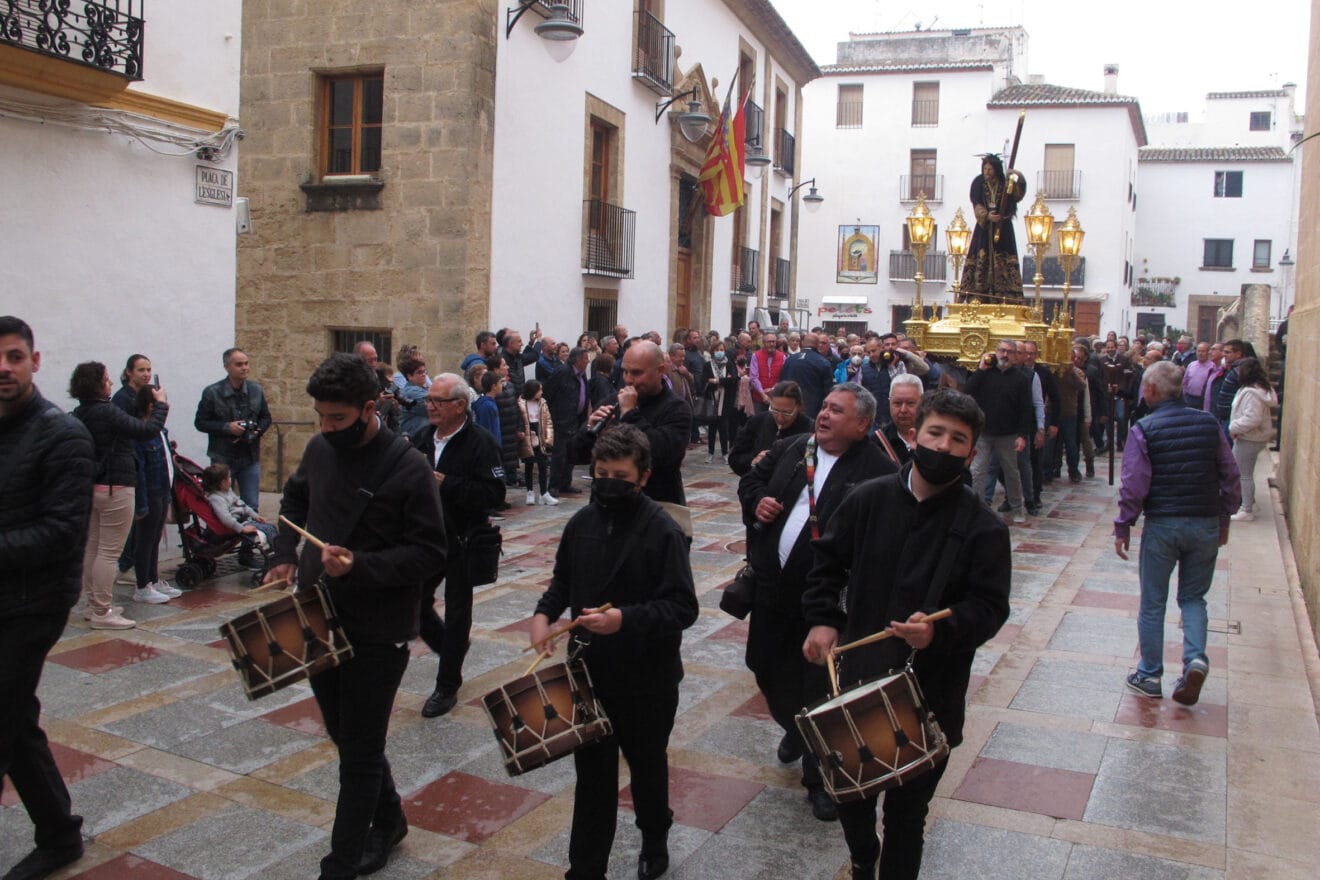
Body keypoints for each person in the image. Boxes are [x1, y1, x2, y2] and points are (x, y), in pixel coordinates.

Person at [802, 389, 1010, 880]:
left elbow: (990, 608)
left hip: (932, 690)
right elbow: (826, 564)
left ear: (971, 453)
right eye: (935, 432)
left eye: (957, 440)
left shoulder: (984, 528)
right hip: (860, 680)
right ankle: (861, 856)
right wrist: (823, 617)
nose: (943, 446)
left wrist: (940, 631)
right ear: (914, 434)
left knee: (907, 815)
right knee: (852, 797)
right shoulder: (869, 498)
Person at [264, 353, 447, 879]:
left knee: (361, 752)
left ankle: (339, 864)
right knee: (344, 736)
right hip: (317, 613)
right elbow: (294, 502)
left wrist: (361, 566)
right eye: (321, 416)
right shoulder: (321, 448)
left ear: (370, 409)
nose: (326, 427)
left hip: (380, 628)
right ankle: (389, 821)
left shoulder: (408, 467)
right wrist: (282, 555)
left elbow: (430, 553)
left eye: (338, 418)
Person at [530, 424, 698, 880]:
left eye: (620, 476)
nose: (608, 483)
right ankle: (585, 869)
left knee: (646, 765)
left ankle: (654, 835)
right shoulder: (581, 523)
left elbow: (683, 607)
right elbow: (563, 580)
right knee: (593, 778)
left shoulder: (662, 530)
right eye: (601, 473)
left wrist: (624, 619)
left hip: (648, 676)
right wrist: (544, 617)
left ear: (643, 478)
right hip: (591, 673)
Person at [738, 384, 897, 823]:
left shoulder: (877, 472)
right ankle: (795, 726)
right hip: (772, 591)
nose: (823, 416)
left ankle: (819, 778)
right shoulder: (792, 447)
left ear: (862, 424)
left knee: (818, 689)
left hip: (825, 603)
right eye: (824, 407)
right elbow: (750, 478)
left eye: (836, 411)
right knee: (764, 666)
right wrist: (758, 502)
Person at [0, 316, 95, 880]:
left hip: (34, 605)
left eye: (14, 356)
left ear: (35, 361)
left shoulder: (62, 435)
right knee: (16, 719)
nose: (3, 368)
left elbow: (61, 532)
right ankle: (60, 835)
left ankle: (60, 838)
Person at [1115, 361, 1240, 706]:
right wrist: (1225, 515)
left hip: (1163, 524)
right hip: (1204, 522)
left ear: (1151, 391)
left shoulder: (1144, 428)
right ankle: (1195, 660)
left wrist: (1123, 523)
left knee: (1153, 601)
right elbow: (1230, 472)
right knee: (1193, 598)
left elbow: (1134, 483)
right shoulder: (1209, 423)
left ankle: (1150, 673)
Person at [411, 373, 506, 718]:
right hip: (425, 539)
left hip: (463, 539)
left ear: (460, 406)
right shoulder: (422, 438)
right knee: (414, 604)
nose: (430, 406)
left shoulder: (480, 443)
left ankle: (446, 684)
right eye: (429, 400)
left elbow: (494, 494)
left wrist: (446, 483)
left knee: (457, 613)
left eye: (438, 401)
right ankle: (451, 648)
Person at [70, 361, 171, 622]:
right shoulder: (107, 411)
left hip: (92, 487)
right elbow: (147, 430)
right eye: (106, 379)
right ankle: (103, 610)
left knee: (93, 547)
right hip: (116, 486)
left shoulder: (80, 412)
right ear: (97, 384)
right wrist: (161, 404)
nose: (111, 382)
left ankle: (94, 605)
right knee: (109, 552)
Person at [577, 341, 692, 505]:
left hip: (656, 507)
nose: (629, 380)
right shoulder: (611, 401)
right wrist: (589, 430)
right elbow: (576, 455)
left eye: (637, 373)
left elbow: (660, 453)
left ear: (660, 370)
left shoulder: (677, 408)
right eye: (625, 372)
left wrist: (630, 414)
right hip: (605, 506)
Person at [194, 348, 271, 567]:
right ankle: (209, 553)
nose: (244, 368)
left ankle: (246, 553)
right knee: (218, 506)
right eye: (239, 364)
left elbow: (266, 417)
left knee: (251, 505)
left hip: (249, 456)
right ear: (227, 366)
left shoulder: (256, 390)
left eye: (246, 363)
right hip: (223, 457)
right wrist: (227, 427)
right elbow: (200, 422)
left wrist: (256, 431)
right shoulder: (212, 392)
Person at [964, 341, 1033, 522]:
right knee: (977, 470)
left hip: (1008, 434)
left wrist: (1022, 435)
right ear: (995, 352)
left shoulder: (1020, 378)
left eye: (1009, 352)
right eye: (1002, 351)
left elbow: (1026, 409)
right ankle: (975, 507)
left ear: (1015, 356)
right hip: (984, 433)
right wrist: (980, 369)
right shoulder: (985, 374)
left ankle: (1017, 508)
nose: (1004, 355)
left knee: (1011, 472)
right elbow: (968, 391)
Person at [129, 386, 183, 599]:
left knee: (154, 540)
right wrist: (142, 504)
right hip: (150, 492)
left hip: (162, 489)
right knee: (145, 539)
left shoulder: (161, 431)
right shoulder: (142, 434)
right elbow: (140, 472)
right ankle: (142, 585)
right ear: (152, 406)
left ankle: (153, 579)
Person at [112, 354, 155, 582]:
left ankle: (130, 563)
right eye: (141, 370)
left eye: (148, 369)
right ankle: (125, 564)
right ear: (129, 372)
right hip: (132, 461)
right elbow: (134, 430)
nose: (146, 374)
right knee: (135, 516)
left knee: (142, 516)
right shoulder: (123, 399)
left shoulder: (142, 396)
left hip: (144, 460)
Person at [961, 154, 1025, 302]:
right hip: (984, 228)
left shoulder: (1005, 183)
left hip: (1003, 228)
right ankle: (977, 293)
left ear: (996, 169)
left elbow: (1018, 195)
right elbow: (976, 204)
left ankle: (1006, 294)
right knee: (981, 257)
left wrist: (1017, 176)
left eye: (990, 169)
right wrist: (987, 216)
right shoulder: (978, 183)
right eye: (985, 169)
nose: (987, 172)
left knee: (1003, 259)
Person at [1227, 357, 1276, 522]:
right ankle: (1250, 503)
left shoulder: (1252, 393)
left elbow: (1252, 418)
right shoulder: (1257, 389)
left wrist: (1234, 427)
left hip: (1249, 438)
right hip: (1252, 437)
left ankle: (1246, 508)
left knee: (1243, 474)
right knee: (1245, 472)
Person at [728, 380, 811, 476]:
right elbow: (735, 457)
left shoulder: (809, 429)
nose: (780, 418)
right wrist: (753, 461)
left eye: (786, 413)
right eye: (775, 410)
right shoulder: (757, 422)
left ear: (799, 407)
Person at [545, 347, 591, 498]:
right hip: (561, 420)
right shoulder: (562, 372)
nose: (588, 361)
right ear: (578, 360)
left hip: (576, 421)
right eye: (585, 358)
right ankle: (554, 486)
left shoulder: (582, 375)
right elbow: (548, 393)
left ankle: (566, 483)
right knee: (559, 455)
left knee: (571, 454)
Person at [202, 463, 278, 548]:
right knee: (268, 529)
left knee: (271, 528)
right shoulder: (216, 499)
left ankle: (277, 549)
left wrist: (255, 516)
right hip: (237, 524)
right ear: (223, 483)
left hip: (243, 520)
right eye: (229, 477)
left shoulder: (228, 492)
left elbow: (242, 505)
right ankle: (278, 551)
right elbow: (226, 518)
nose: (231, 479)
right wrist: (241, 529)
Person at [700, 339, 740, 463]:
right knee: (712, 427)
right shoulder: (708, 365)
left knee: (724, 427)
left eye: (721, 350)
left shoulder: (729, 364)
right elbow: (704, 380)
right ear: (713, 351)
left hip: (726, 400)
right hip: (712, 399)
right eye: (717, 350)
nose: (719, 352)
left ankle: (725, 452)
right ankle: (710, 453)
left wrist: (718, 381)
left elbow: (733, 380)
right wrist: (720, 380)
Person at [518, 380, 557, 506]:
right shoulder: (521, 403)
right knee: (529, 464)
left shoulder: (542, 403)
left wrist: (549, 439)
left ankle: (543, 493)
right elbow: (518, 420)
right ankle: (529, 491)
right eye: (539, 390)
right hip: (528, 436)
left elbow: (548, 422)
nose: (541, 392)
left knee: (542, 464)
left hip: (541, 436)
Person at [779, 332, 835, 419]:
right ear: (817, 344)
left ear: (802, 343)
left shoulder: (789, 360)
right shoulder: (823, 362)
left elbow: (781, 383)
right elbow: (828, 390)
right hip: (812, 410)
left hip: (789, 408)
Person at [872, 373, 923, 466]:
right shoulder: (876, 443)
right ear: (889, 403)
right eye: (897, 403)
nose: (903, 410)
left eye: (910, 403)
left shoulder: (934, 438)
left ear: (922, 403)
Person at [395, 353, 431, 438]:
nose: (424, 374)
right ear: (409, 376)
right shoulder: (411, 391)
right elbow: (435, 406)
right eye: (419, 372)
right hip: (414, 437)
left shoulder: (421, 388)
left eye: (425, 371)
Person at [749, 331, 785, 412]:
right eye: (769, 342)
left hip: (776, 397)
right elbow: (753, 377)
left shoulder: (782, 357)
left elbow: (783, 377)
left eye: (773, 342)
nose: (772, 344)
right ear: (763, 343)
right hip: (758, 398)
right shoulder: (756, 356)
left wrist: (772, 389)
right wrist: (763, 394)